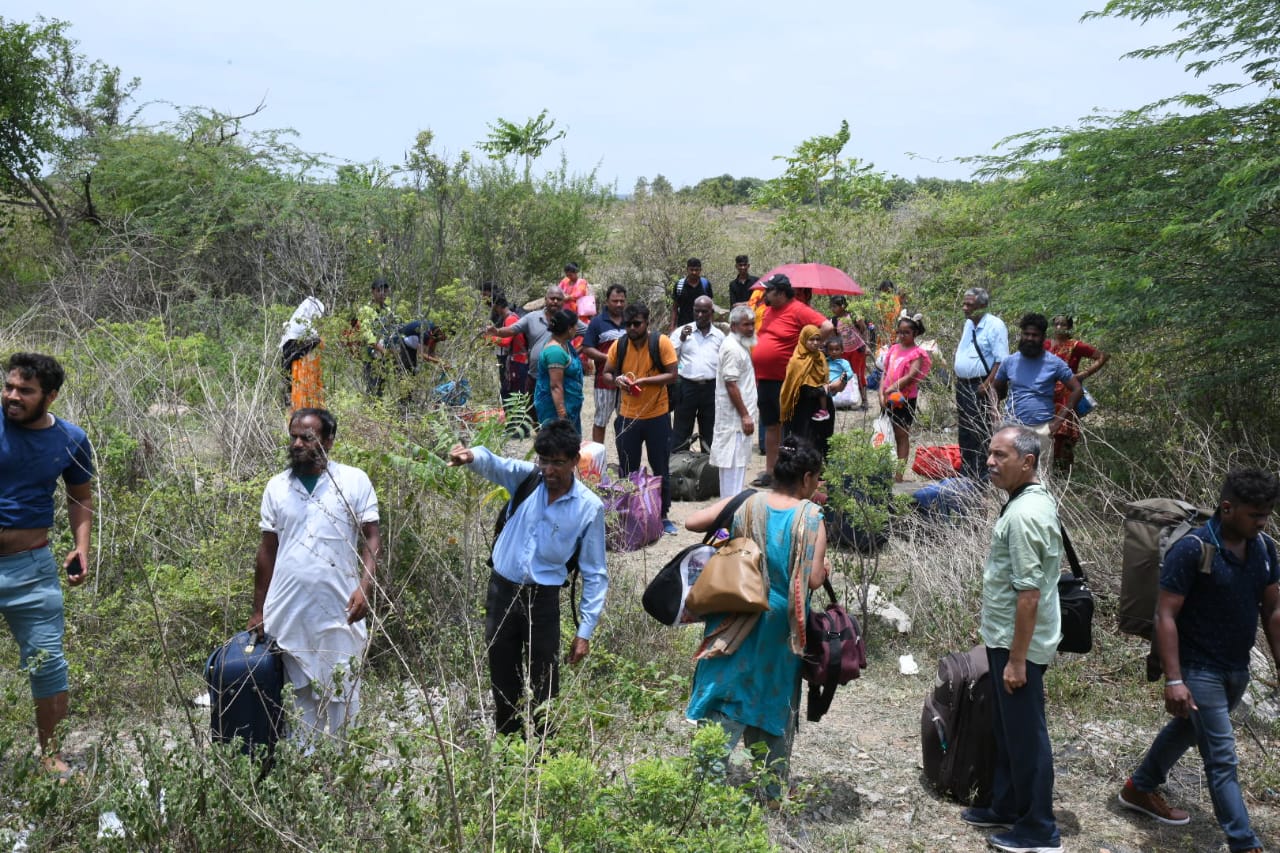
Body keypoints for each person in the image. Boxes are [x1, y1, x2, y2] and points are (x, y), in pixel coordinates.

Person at [1117, 469, 1280, 853]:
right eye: (1255, 514)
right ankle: (1244, 843)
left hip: (1236, 668)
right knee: (1222, 758)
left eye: (1267, 513)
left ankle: (1138, 788)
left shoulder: (1264, 549)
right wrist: (1174, 679)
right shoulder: (1193, 549)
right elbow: (1165, 615)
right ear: (1227, 508)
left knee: (1189, 728)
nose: (1263, 521)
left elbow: (1273, 609)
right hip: (1198, 668)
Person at [684, 435, 829, 803]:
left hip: (736, 612)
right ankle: (772, 786)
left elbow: (691, 523)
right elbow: (812, 579)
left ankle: (704, 785)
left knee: (723, 693)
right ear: (807, 478)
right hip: (780, 625)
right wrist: (824, 568)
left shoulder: (747, 502)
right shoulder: (811, 517)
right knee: (773, 697)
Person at [447, 420, 608, 737]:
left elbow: (595, 573)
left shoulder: (589, 508)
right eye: (544, 461)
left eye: (558, 463)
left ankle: (545, 755)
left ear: (576, 461)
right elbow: (494, 462)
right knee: (502, 675)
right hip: (502, 594)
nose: (549, 470)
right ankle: (507, 746)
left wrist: (585, 631)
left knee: (545, 681)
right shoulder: (527, 479)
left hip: (543, 602)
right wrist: (469, 456)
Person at [250, 408, 380, 749]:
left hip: (339, 609)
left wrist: (364, 588)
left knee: (342, 690)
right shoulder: (277, 487)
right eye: (293, 436)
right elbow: (267, 551)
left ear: (328, 442)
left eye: (306, 437)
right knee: (296, 694)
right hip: (287, 612)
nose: (297, 444)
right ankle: (304, 768)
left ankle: (342, 768)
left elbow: (372, 539)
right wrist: (258, 610)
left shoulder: (353, 481)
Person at [960, 425, 1062, 853]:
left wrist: (1017, 660)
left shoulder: (1023, 515)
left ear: (1028, 462)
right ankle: (1005, 805)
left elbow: (1028, 594)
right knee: (1006, 729)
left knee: (1026, 736)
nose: (990, 462)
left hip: (1020, 646)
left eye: (1001, 456)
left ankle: (1039, 829)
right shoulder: (1025, 501)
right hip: (1008, 641)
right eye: (989, 454)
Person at [0, 353, 93, 776]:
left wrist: (81, 547)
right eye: (9, 387)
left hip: (31, 568)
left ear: (50, 396)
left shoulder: (70, 440)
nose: (12, 396)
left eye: (25, 390)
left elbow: (80, 497)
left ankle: (51, 755)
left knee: (49, 663)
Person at [601, 303, 679, 535]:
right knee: (627, 467)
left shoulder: (661, 342)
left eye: (637, 324)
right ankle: (628, 513)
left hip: (657, 415)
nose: (632, 328)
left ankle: (663, 514)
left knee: (660, 465)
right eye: (628, 324)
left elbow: (673, 375)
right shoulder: (620, 345)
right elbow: (606, 372)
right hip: (627, 416)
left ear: (647, 323)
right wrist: (616, 381)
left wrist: (644, 382)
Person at [749, 274, 833, 488]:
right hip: (765, 379)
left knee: (791, 428)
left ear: (782, 293)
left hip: (787, 379)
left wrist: (808, 348)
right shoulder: (768, 311)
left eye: (769, 291)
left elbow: (827, 326)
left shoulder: (798, 309)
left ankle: (792, 473)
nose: (765, 294)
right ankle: (771, 471)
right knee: (770, 424)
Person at [993, 313, 1082, 466]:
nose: (1029, 338)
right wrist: (994, 414)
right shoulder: (1010, 361)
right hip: (1012, 428)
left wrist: (1056, 423)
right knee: (1010, 475)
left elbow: (1077, 390)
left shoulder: (1054, 363)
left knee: (1040, 478)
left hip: (1041, 429)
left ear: (1043, 337)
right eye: (1026, 334)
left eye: (1034, 335)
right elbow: (994, 389)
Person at [953, 287, 1009, 480]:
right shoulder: (969, 324)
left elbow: (1001, 359)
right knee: (965, 430)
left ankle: (981, 477)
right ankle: (967, 474)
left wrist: (986, 384)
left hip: (980, 386)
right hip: (963, 385)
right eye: (964, 303)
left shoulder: (995, 325)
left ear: (982, 306)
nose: (965, 308)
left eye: (970, 305)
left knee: (980, 431)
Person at [1045, 315, 1108, 469]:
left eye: (1063, 324)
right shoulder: (1045, 344)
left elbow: (1102, 356)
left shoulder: (1076, 345)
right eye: (1057, 324)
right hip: (1046, 394)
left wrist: (1083, 374)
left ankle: (1063, 471)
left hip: (1067, 395)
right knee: (1044, 431)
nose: (1059, 327)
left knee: (1064, 433)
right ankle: (1046, 468)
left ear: (1069, 327)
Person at [710, 306, 758, 497]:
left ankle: (730, 514)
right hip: (735, 421)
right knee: (732, 471)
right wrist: (745, 415)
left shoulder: (740, 345)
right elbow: (731, 384)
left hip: (739, 421)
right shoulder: (732, 348)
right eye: (746, 324)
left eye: (752, 324)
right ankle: (728, 517)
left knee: (737, 469)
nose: (750, 328)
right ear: (733, 326)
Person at [880, 312, 932, 481]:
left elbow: (911, 376)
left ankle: (899, 475)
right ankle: (882, 470)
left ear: (914, 333)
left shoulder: (917, 353)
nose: (902, 336)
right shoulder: (894, 349)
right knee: (885, 434)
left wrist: (892, 388)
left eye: (906, 332)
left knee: (901, 435)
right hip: (887, 398)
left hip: (905, 399)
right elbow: (885, 372)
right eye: (900, 332)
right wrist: (882, 392)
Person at [670, 295, 724, 453]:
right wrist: (681, 339)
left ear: (711, 312)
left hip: (711, 388)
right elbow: (669, 357)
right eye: (697, 311)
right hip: (687, 387)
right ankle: (678, 468)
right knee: (681, 430)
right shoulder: (683, 332)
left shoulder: (719, 336)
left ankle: (708, 470)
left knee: (709, 431)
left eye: (704, 312)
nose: (700, 315)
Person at [779, 325, 835, 458]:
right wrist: (822, 390)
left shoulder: (820, 357)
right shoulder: (796, 361)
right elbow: (799, 388)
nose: (815, 343)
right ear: (804, 340)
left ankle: (819, 473)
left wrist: (827, 388)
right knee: (804, 443)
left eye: (818, 339)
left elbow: (825, 379)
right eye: (811, 340)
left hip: (822, 409)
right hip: (802, 410)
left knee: (821, 441)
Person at [582, 285, 628, 445]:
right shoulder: (597, 322)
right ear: (607, 301)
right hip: (603, 381)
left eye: (622, 301)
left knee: (626, 422)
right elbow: (587, 348)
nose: (619, 304)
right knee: (601, 420)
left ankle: (625, 460)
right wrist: (609, 358)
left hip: (628, 380)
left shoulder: (631, 321)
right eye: (615, 301)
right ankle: (598, 459)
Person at [534, 309, 585, 434]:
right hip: (555, 410)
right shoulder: (555, 352)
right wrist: (562, 417)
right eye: (575, 325)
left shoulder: (564, 344)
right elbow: (556, 386)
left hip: (570, 406)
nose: (577, 328)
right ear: (569, 328)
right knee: (558, 445)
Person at [356, 277, 403, 396]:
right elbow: (367, 335)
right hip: (371, 356)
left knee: (381, 388)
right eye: (379, 290)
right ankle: (368, 412)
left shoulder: (388, 310)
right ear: (373, 291)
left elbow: (394, 328)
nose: (383, 293)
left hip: (385, 355)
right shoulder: (365, 310)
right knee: (373, 387)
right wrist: (382, 350)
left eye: (385, 291)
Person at [279, 295, 325, 409]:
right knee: (298, 396)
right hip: (297, 367)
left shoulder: (295, 321)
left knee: (291, 393)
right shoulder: (303, 324)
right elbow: (317, 341)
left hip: (289, 367)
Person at [829, 295, 869, 408]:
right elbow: (835, 337)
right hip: (844, 352)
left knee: (859, 374)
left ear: (842, 306)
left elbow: (864, 330)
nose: (832, 309)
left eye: (834, 306)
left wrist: (866, 345)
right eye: (831, 307)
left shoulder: (853, 316)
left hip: (857, 350)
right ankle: (846, 400)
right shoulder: (834, 320)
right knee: (845, 375)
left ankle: (864, 400)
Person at [671, 258, 712, 330]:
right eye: (692, 270)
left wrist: (711, 326)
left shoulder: (705, 284)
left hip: (702, 326)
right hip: (683, 325)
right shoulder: (679, 285)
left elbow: (710, 307)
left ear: (700, 270)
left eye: (696, 270)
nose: (694, 272)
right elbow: (675, 308)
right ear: (687, 270)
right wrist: (672, 327)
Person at [824, 338, 854, 406]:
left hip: (839, 382)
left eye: (837, 349)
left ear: (842, 351)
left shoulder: (844, 362)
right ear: (827, 351)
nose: (834, 352)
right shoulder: (826, 361)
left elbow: (850, 372)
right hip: (827, 381)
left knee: (842, 378)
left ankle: (829, 387)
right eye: (831, 350)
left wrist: (845, 375)